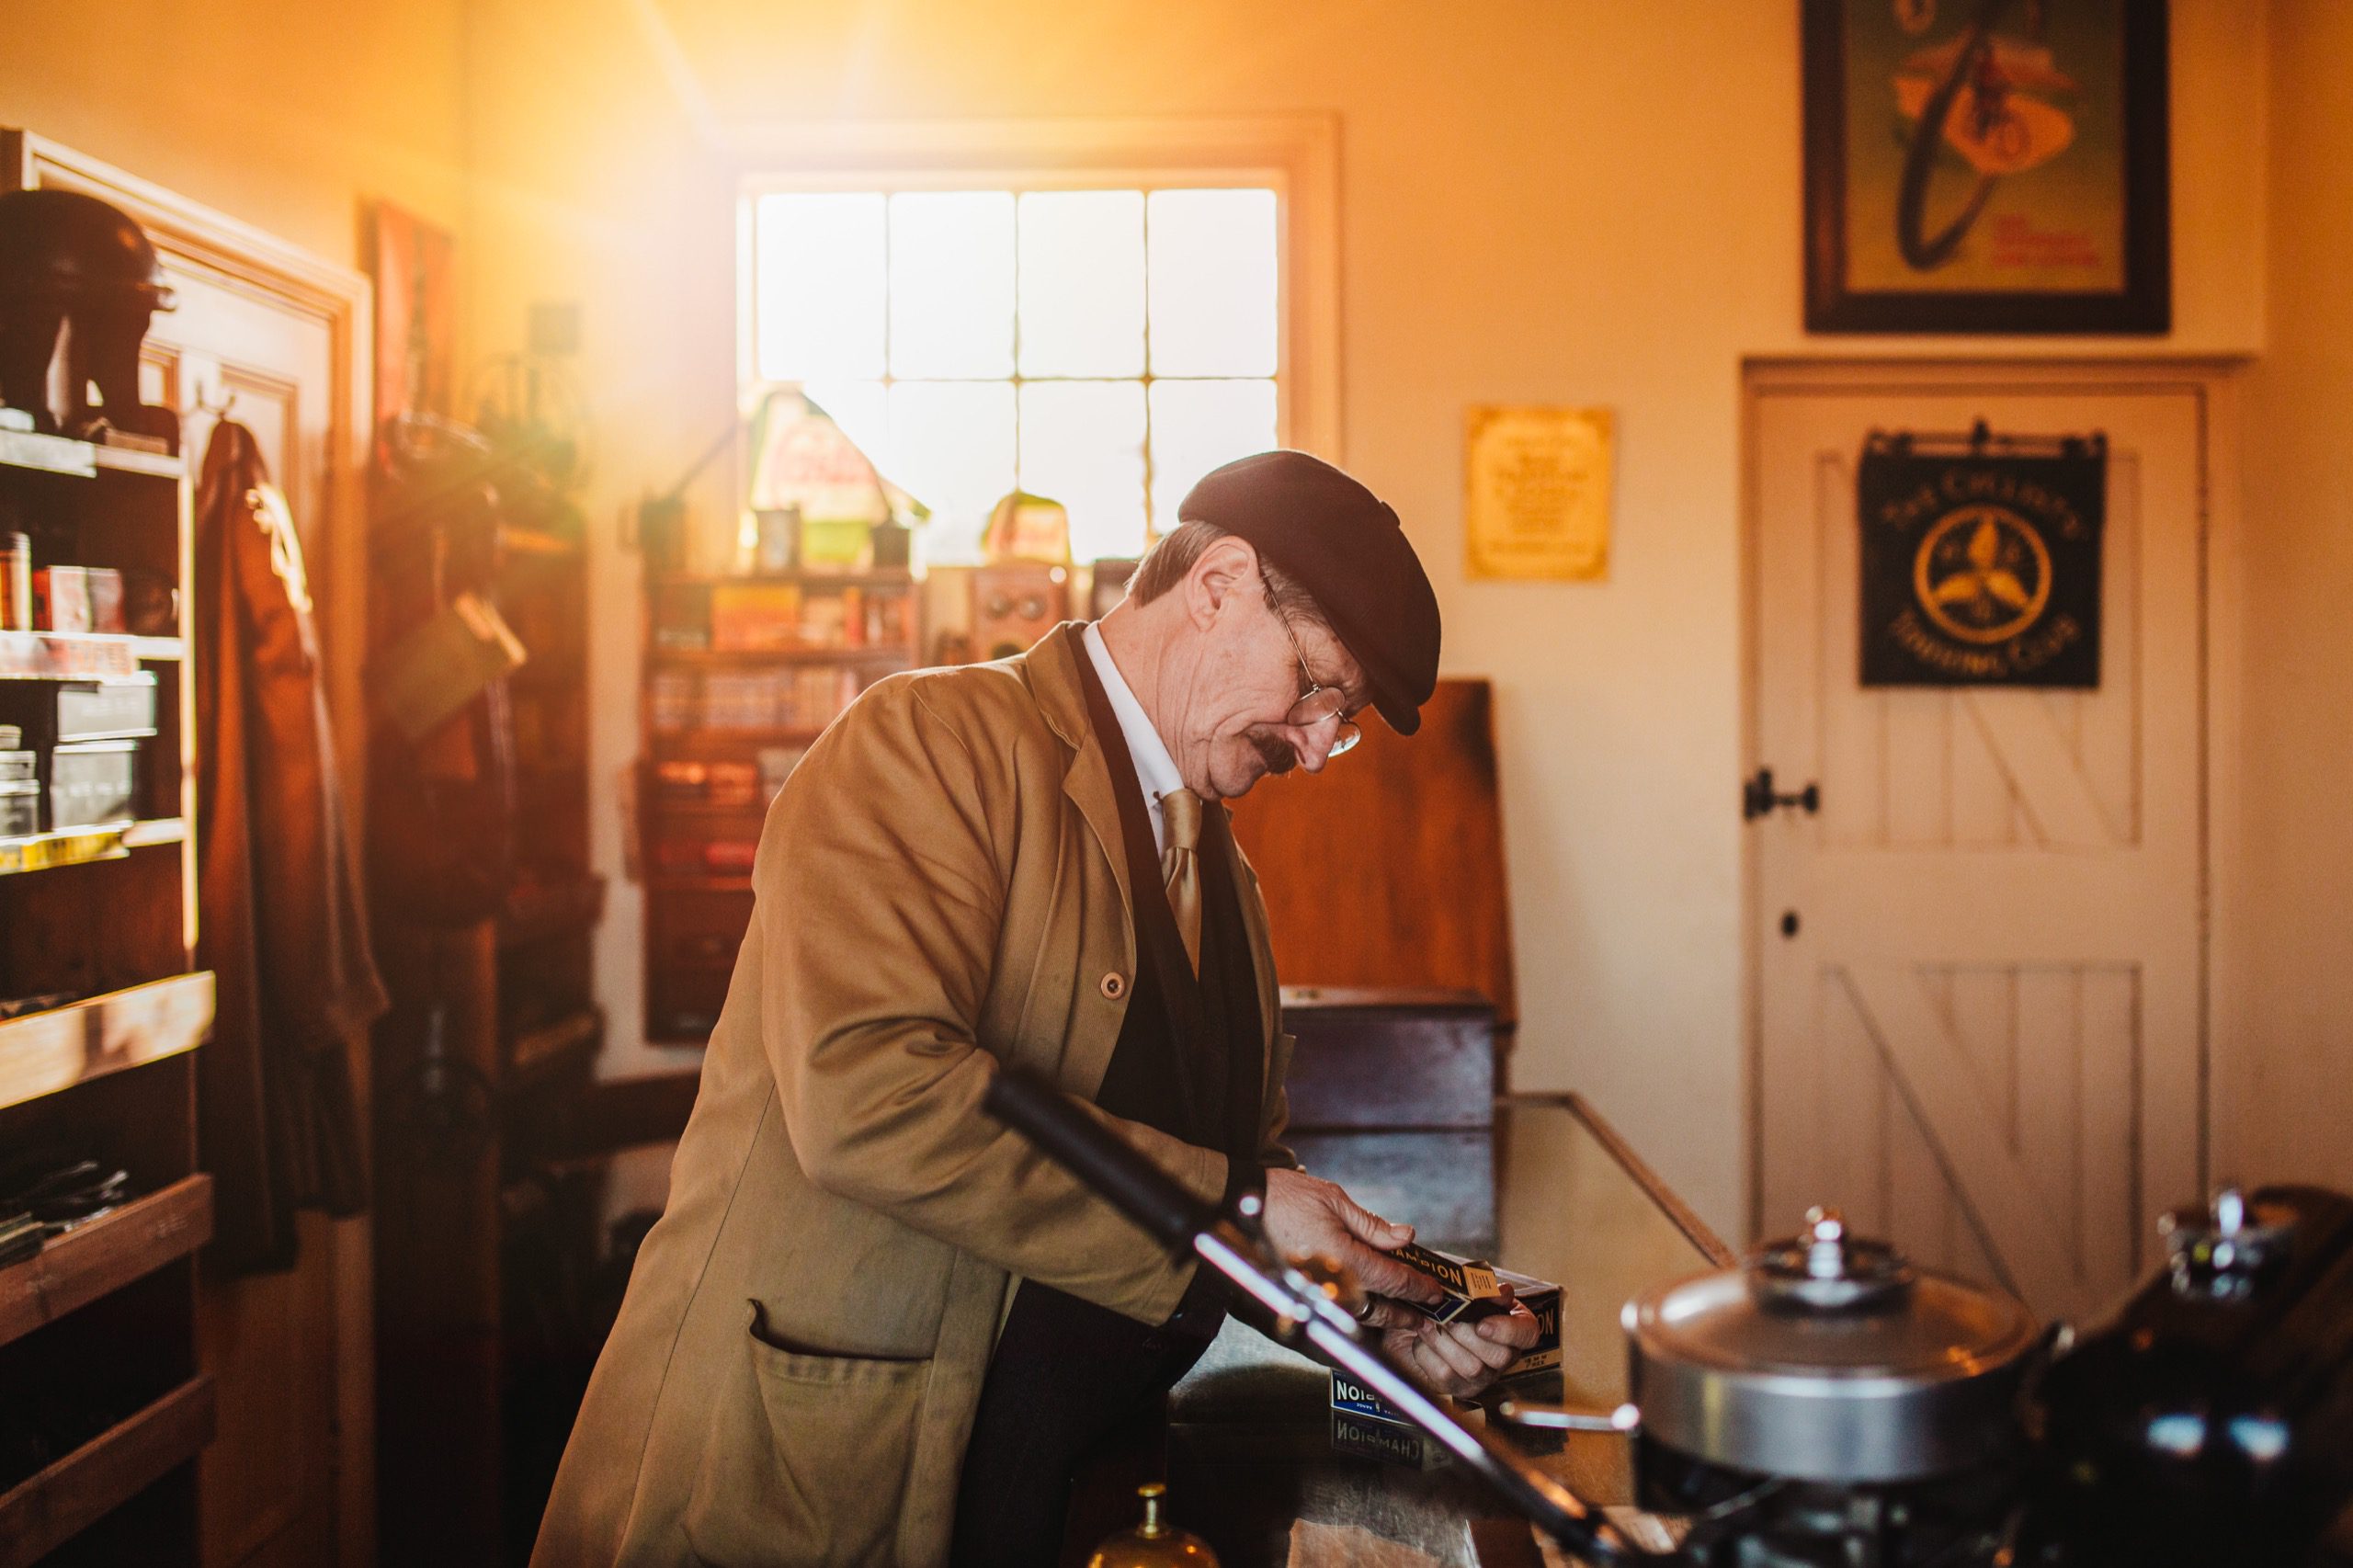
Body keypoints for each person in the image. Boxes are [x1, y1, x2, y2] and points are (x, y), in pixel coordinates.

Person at [533, 450, 1538, 1568]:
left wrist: (1367, 1316)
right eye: (1314, 687)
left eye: (1336, 725)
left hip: (1054, 1474)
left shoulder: (1222, 874)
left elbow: (1231, 1178)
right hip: (828, 1470)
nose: (1310, 748)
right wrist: (1247, 1203)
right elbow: (867, 1092)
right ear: (1217, 585)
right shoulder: (925, 747)